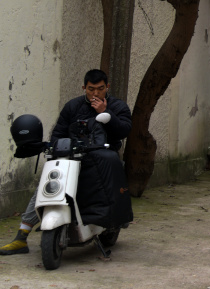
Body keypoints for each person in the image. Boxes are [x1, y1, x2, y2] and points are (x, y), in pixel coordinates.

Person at [0, 69, 132, 255]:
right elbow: (58, 133)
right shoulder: (73, 106)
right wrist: (55, 146)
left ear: (107, 87)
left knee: (110, 184)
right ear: (84, 88)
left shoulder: (118, 106)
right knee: (47, 185)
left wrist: (106, 113)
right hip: (73, 158)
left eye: (100, 89)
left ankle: (112, 222)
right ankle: (21, 236)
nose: (95, 93)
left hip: (103, 159)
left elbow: (124, 131)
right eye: (91, 89)